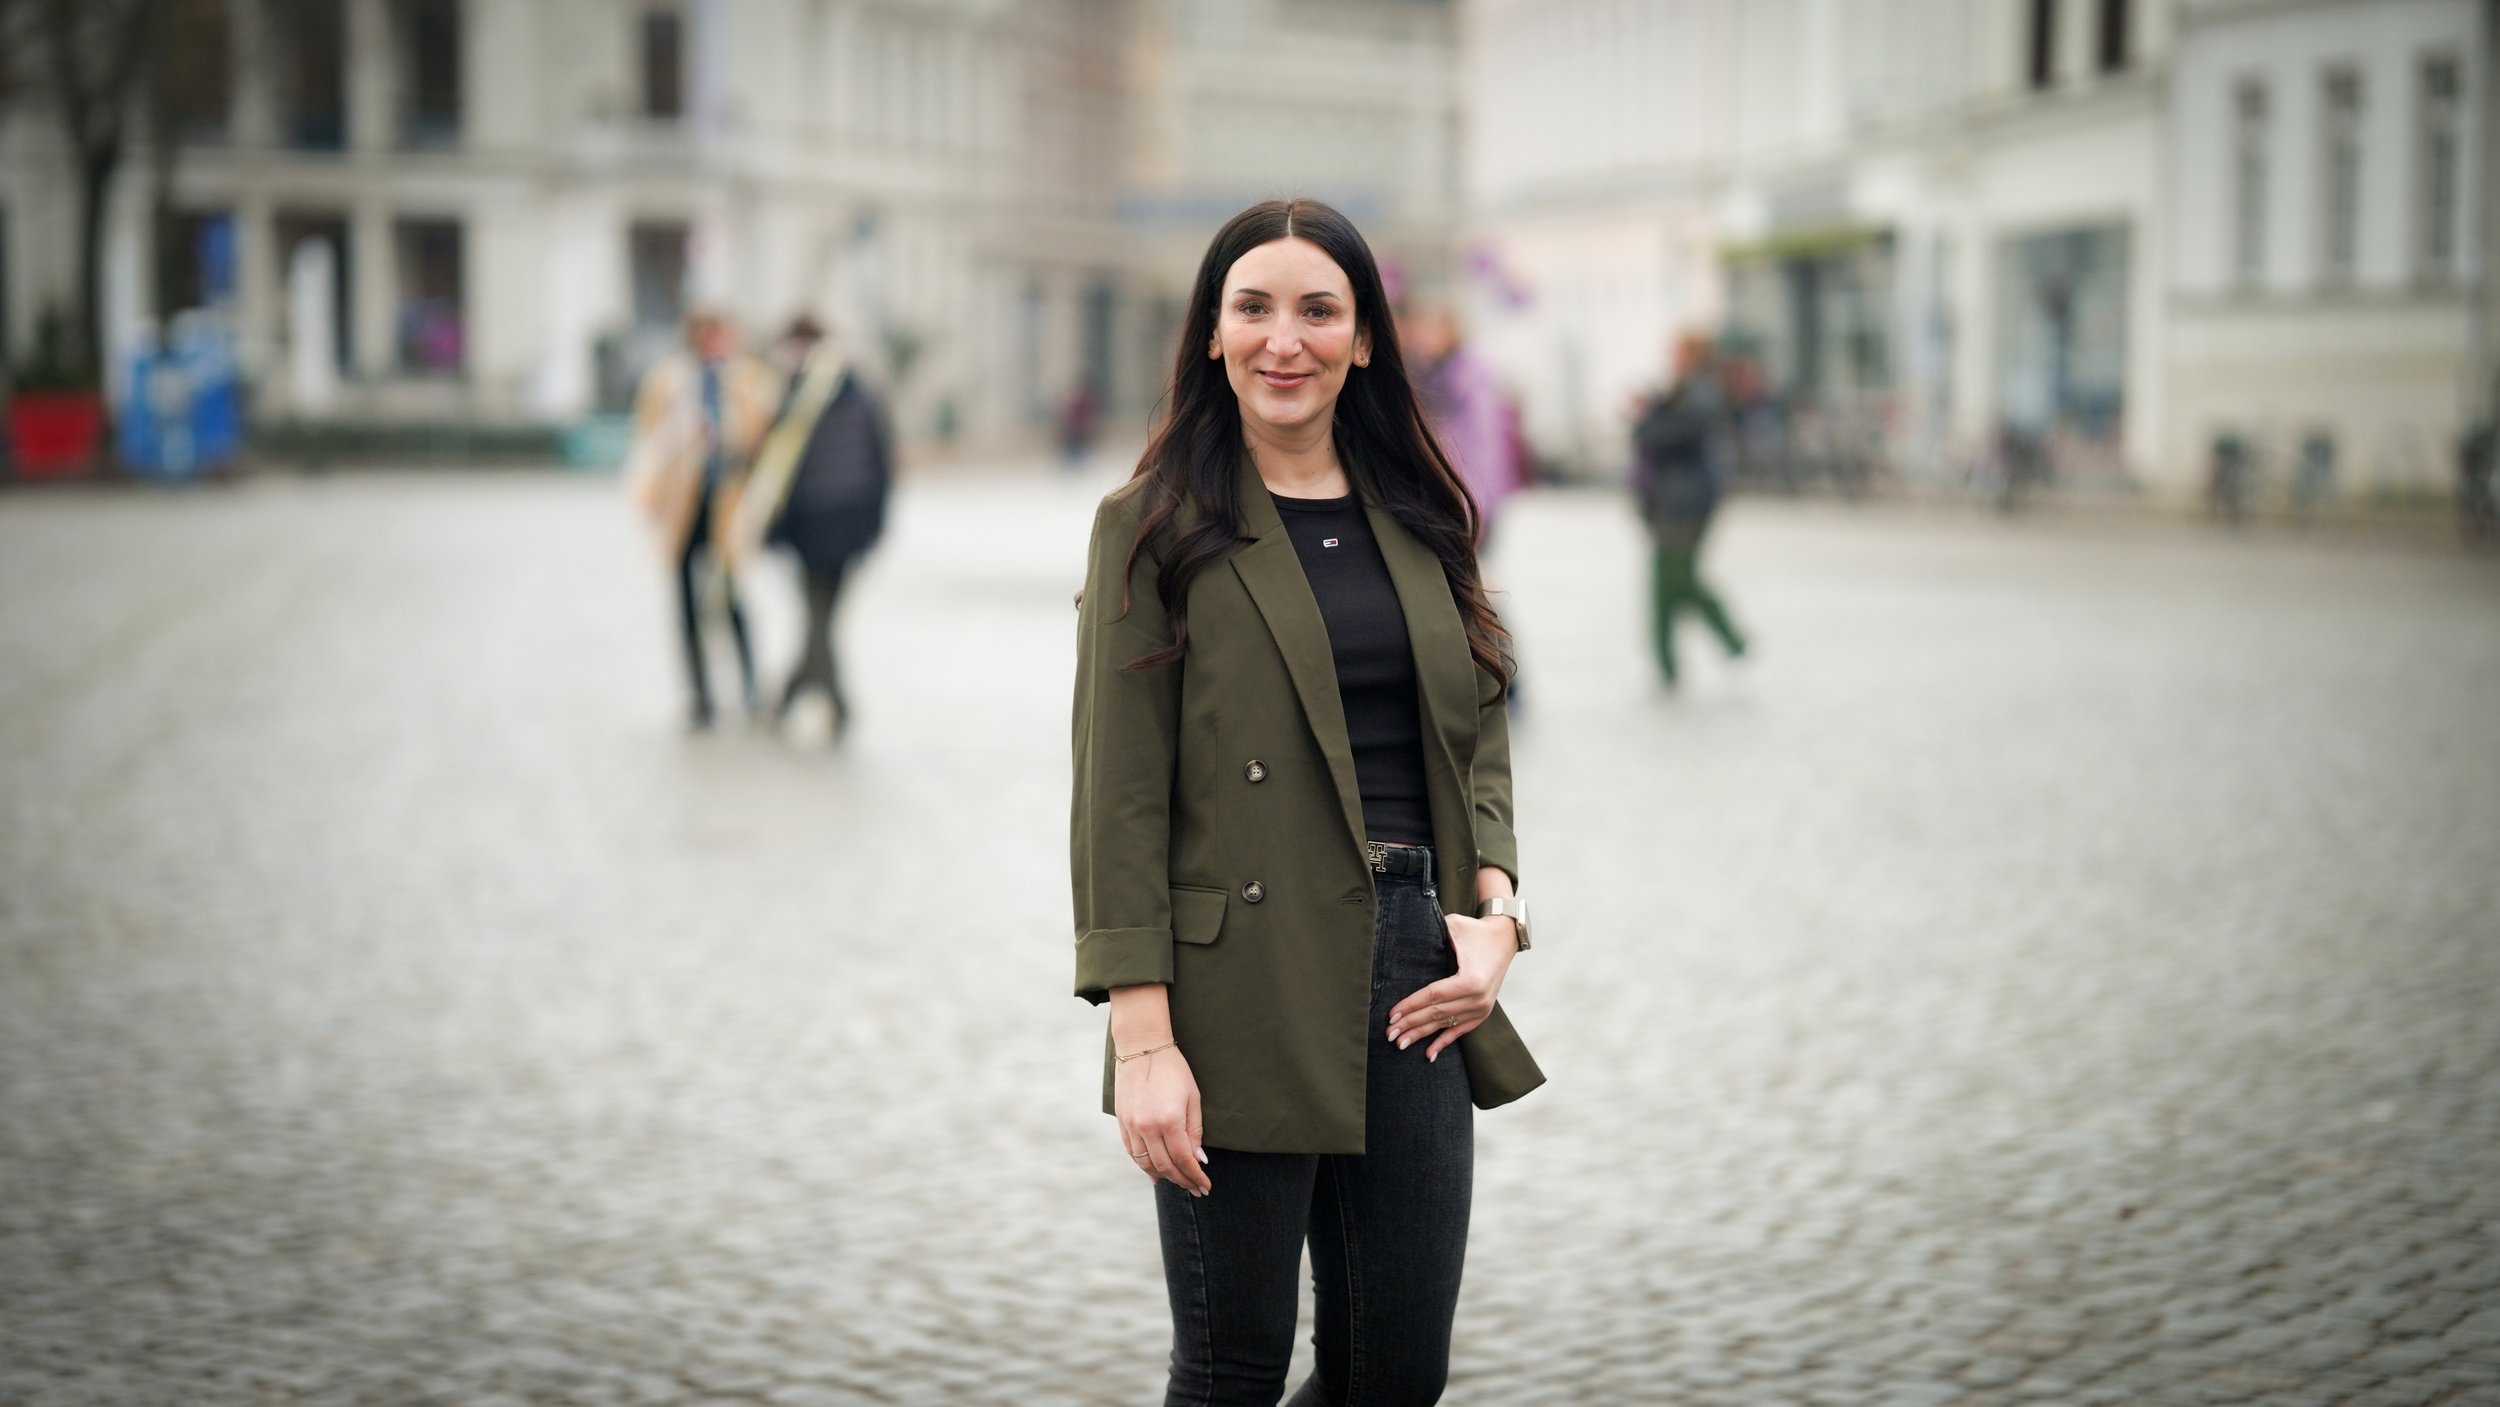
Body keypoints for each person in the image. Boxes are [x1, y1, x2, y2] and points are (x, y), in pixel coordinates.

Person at [1071, 197, 1544, 1406]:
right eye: (1255, 310)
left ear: (1365, 339)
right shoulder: (1153, 526)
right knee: (1230, 1372)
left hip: (1416, 977)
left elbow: (1477, 726)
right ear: (1214, 336)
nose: (1286, 340)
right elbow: (1117, 798)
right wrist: (1144, 1043)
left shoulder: (1425, 518)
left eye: (1318, 311)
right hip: (1234, 986)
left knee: (1395, 1374)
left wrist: (1496, 908)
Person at [735, 319, 893, 737]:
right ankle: (804, 699)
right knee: (821, 617)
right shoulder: (854, 387)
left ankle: (818, 702)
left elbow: (772, 463)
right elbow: (881, 459)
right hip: (842, 523)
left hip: (817, 522)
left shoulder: (793, 394)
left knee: (818, 617)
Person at [626, 309, 782, 729]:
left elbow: (767, 434)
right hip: (684, 506)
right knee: (686, 604)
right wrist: (651, 498)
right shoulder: (668, 381)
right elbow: (649, 444)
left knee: (731, 599)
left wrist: (737, 449)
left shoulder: (749, 379)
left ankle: (750, 687)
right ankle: (699, 693)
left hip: (727, 504)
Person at [1630, 334, 1749, 687]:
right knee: (1666, 579)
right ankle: (1668, 662)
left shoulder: (1699, 393)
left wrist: (1645, 420)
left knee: (1675, 578)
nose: (1672, 359)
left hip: (1687, 500)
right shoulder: (1680, 392)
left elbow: (1665, 435)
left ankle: (1727, 636)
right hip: (1673, 498)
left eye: (1678, 353)